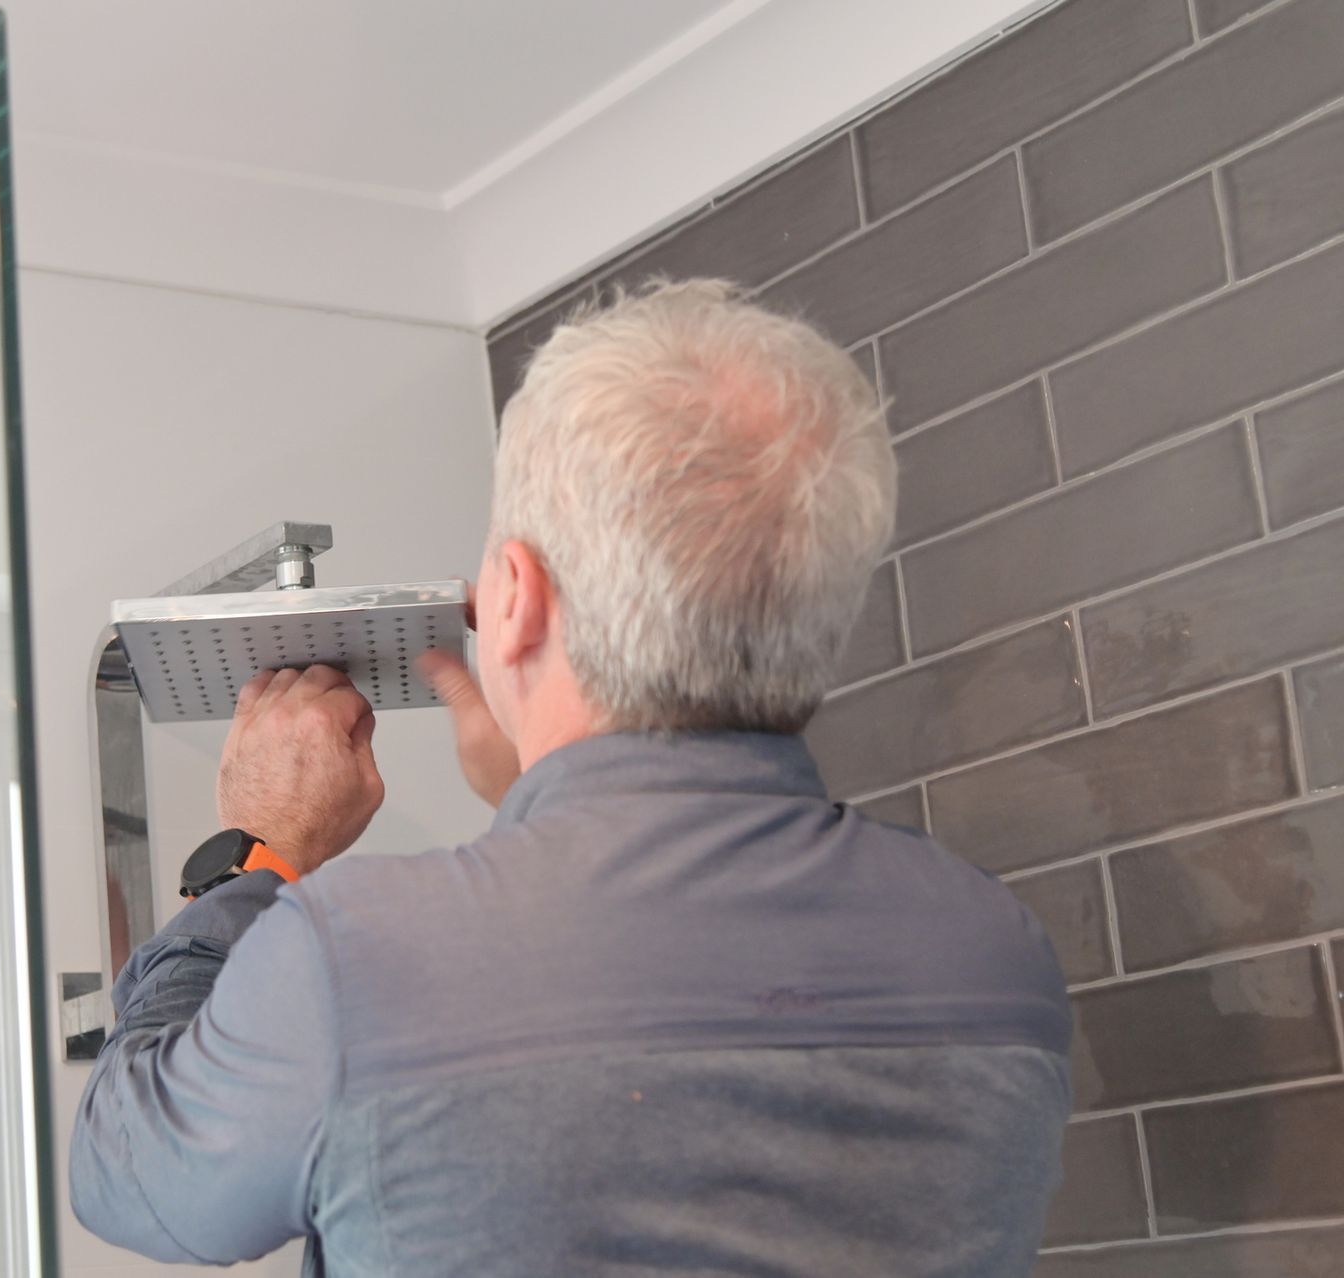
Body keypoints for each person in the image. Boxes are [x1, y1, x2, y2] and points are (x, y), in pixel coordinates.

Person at [69, 279, 1072, 1276]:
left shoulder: (363, 965)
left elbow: (126, 1173)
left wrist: (256, 857)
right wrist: (537, 808)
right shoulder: (994, 954)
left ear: (514, 599)